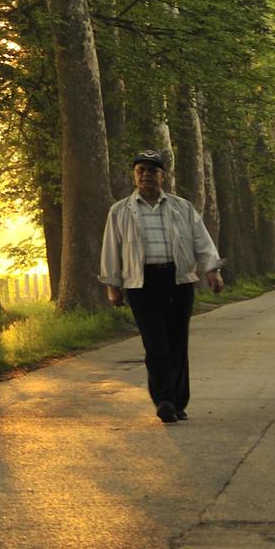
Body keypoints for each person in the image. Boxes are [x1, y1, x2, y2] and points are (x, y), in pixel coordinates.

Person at [98, 150, 223, 423]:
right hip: (141, 283)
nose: (146, 175)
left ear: (162, 176)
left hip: (178, 280)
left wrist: (211, 271)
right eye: (141, 170)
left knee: (177, 342)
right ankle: (164, 400)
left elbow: (202, 241)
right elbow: (111, 249)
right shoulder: (120, 211)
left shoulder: (182, 207)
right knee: (155, 344)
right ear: (134, 176)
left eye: (152, 171)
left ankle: (179, 401)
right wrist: (113, 286)